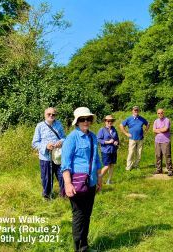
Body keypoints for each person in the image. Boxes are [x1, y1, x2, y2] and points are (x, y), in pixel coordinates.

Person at [61, 107, 102, 252]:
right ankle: (78, 248)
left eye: (88, 119)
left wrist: (99, 179)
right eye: (82, 119)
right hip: (77, 184)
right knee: (79, 216)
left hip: (91, 182)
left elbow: (96, 160)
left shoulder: (93, 137)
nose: (86, 122)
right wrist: (67, 183)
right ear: (77, 121)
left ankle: (84, 246)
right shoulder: (71, 138)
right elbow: (65, 164)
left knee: (87, 215)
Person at [32, 107, 66, 199]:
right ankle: (47, 197)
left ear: (56, 115)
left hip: (58, 156)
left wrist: (61, 142)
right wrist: (46, 146)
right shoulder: (40, 126)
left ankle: (64, 195)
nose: (51, 116)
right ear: (45, 115)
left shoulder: (59, 124)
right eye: (49, 114)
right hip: (46, 158)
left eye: (53, 114)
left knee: (62, 176)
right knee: (47, 178)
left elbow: (64, 138)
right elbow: (34, 143)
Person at [120, 106, 150, 171]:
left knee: (139, 153)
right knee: (131, 153)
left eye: (137, 110)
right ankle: (128, 167)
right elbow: (121, 125)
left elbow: (148, 124)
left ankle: (136, 166)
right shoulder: (129, 119)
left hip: (140, 139)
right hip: (132, 139)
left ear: (138, 111)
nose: (136, 111)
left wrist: (145, 131)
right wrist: (126, 133)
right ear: (132, 111)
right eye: (135, 110)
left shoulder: (141, 119)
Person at [97, 115, 119, 185]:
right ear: (105, 121)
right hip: (106, 151)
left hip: (113, 150)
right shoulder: (102, 130)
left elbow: (117, 139)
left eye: (111, 121)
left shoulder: (114, 129)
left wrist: (116, 142)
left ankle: (109, 181)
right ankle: (98, 180)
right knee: (106, 166)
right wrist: (108, 142)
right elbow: (98, 139)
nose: (110, 122)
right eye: (108, 121)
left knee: (112, 165)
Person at [153, 108, 173, 176]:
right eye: (158, 113)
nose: (160, 114)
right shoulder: (156, 121)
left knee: (167, 155)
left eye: (161, 113)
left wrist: (158, 130)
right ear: (157, 114)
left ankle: (170, 170)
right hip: (157, 141)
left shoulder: (167, 120)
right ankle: (159, 169)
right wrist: (160, 130)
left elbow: (166, 129)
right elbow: (154, 130)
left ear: (163, 113)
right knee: (158, 155)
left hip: (165, 141)